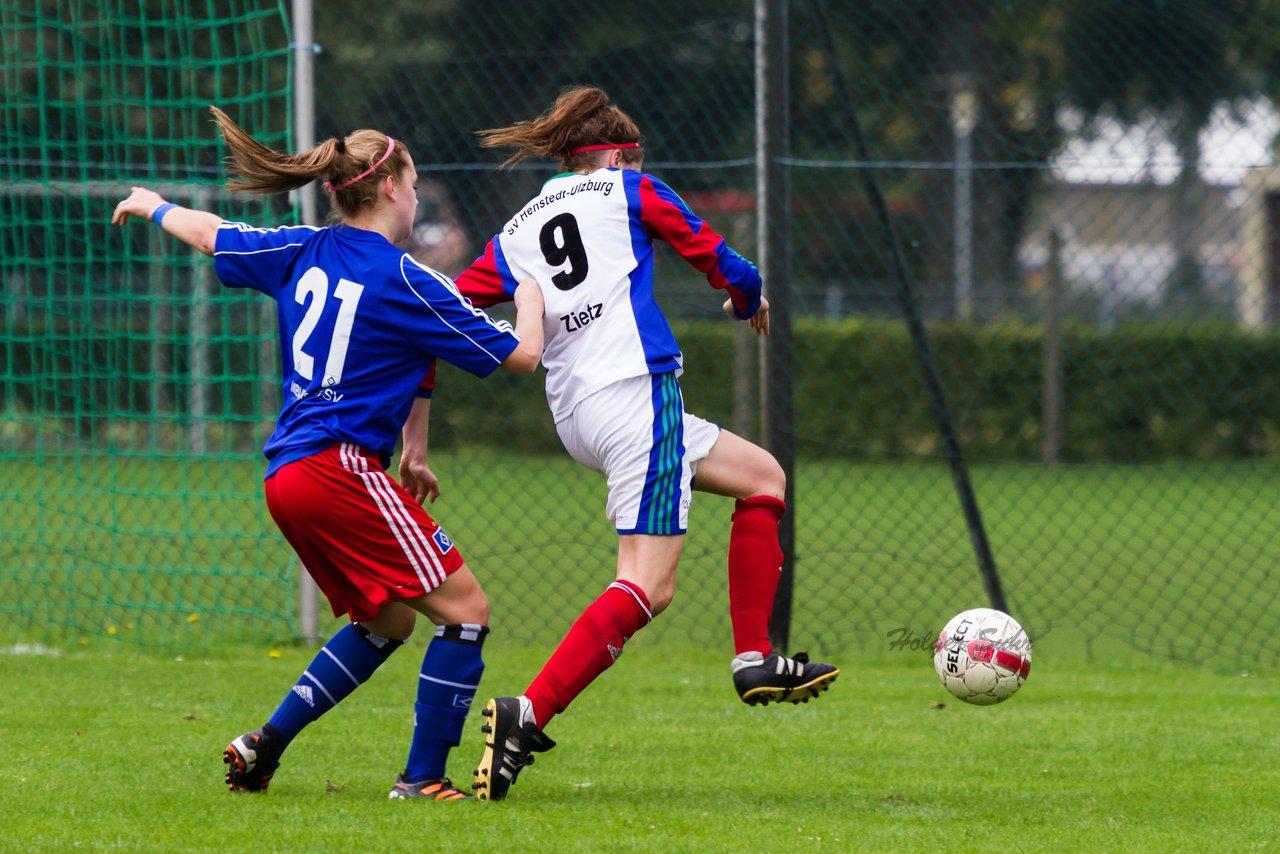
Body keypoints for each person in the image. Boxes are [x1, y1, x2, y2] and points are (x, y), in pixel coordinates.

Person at [111, 106, 544, 801]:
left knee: (389, 619)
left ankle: (266, 744)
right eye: (415, 183)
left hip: (286, 474)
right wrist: (530, 297)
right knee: (466, 609)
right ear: (394, 190)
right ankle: (423, 780)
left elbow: (212, 233)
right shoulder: (408, 278)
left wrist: (154, 204)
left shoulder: (300, 247)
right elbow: (523, 357)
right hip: (338, 466)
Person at [449, 85, 839, 801]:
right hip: (635, 391)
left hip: (577, 413)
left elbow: (451, 301)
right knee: (647, 584)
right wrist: (747, 300)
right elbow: (723, 259)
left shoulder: (517, 228)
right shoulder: (632, 187)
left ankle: (755, 655)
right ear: (621, 152)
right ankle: (525, 714)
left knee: (763, 477)